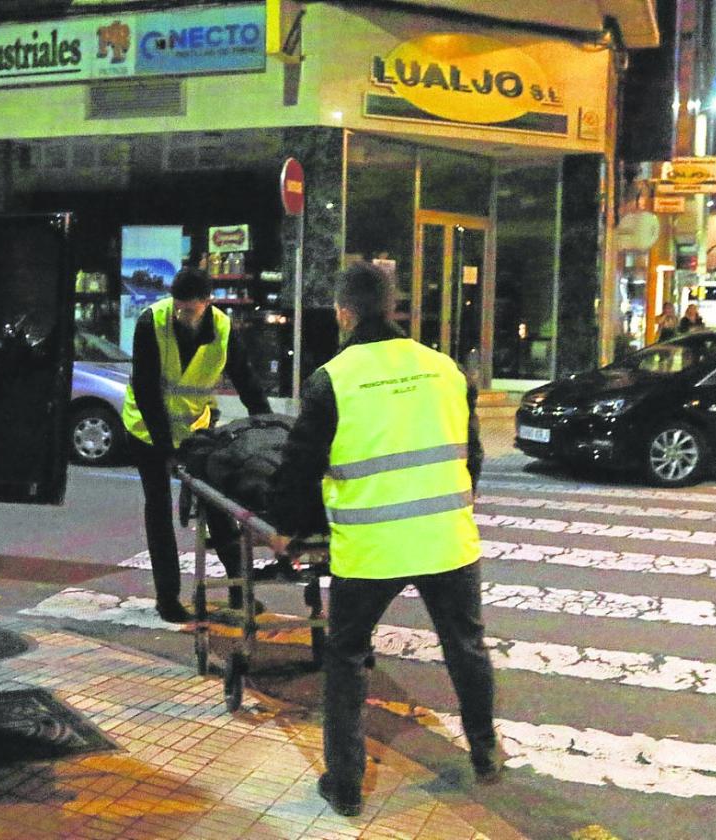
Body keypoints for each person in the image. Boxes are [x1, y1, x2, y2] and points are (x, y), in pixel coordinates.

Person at [268, 262, 495, 817]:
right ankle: (485, 753)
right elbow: (474, 456)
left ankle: (345, 787)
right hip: (447, 541)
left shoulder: (332, 379)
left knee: (346, 657)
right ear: (395, 307)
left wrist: (287, 531)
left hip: (371, 550)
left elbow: (299, 468)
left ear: (344, 312)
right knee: (465, 647)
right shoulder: (444, 370)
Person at [123, 267, 272, 623]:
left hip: (196, 430)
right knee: (158, 509)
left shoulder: (222, 329)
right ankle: (168, 597)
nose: (181, 314)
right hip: (147, 430)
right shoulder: (152, 322)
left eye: (189, 309)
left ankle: (240, 591)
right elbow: (146, 390)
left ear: (207, 304)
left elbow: (245, 380)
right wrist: (165, 450)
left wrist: (267, 427)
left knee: (219, 507)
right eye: (178, 307)